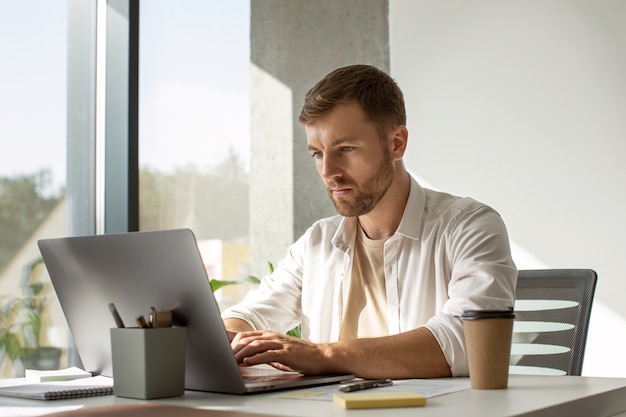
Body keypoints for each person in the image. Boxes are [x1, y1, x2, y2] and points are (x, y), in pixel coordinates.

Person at [222, 64, 517, 379]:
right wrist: (232, 338)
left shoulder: (470, 227)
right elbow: (247, 316)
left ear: (396, 144)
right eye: (317, 154)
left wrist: (322, 355)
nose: (328, 172)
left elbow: (467, 343)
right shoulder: (317, 243)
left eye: (345, 148)